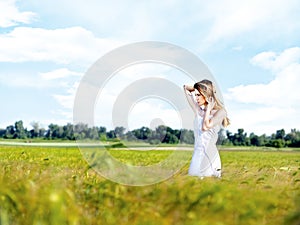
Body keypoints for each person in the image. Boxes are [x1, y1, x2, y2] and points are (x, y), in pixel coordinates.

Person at [183, 79, 229, 178]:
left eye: (198, 95)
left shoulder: (220, 112)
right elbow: (185, 88)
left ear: (206, 94)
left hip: (209, 156)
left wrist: (208, 109)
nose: (196, 98)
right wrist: (197, 88)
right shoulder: (198, 110)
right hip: (197, 155)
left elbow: (205, 127)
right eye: (195, 95)